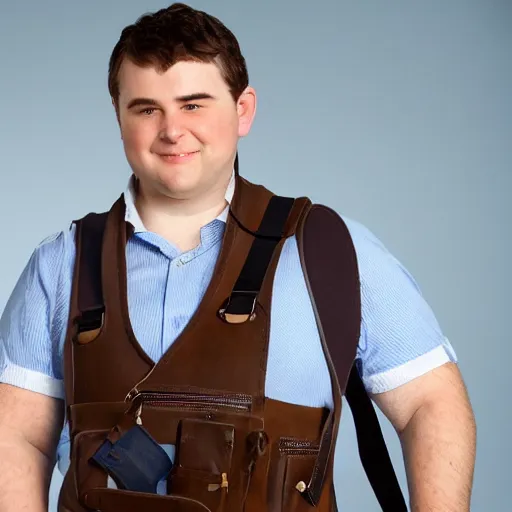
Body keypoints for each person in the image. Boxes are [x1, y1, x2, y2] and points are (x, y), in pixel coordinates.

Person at [0, 3, 476, 511]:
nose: (171, 130)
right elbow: (17, 439)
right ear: (118, 115)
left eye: (194, 104)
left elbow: (431, 403)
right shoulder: (61, 266)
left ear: (243, 110)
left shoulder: (327, 251)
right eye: (146, 108)